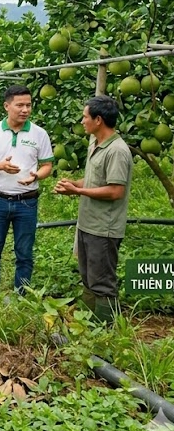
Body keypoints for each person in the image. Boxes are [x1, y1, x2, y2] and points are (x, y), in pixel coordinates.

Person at [54, 95, 132, 324]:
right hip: (88, 223)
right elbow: (97, 181)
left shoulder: (117, 150)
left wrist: (78, 192)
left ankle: (106, 331)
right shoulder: (96, 145)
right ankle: (88, 324)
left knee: (102, 282)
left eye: (85, 117)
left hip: (104, 227)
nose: (82, 121)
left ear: (98, 120)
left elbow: (115, 191)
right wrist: (74, 184)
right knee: (88, 279)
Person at [0, 84, 54, 295]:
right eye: (20, 105)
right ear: (7, 106)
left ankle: (23, 293)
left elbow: (47, 165)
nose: (25, 110)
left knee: (24, 251)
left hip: (27, 201)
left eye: (28, 105)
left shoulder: (40, 134)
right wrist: (0, 166)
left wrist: (36, 175)